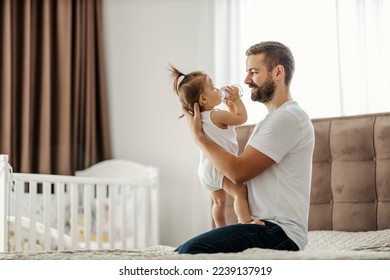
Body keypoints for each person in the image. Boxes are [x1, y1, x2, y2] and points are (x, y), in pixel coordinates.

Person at [175, 41, 315, 254]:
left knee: (191, 251)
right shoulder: (271, 121)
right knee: (182, 251)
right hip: (262, 226)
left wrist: (199, 138)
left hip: (279, 232)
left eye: (253, 72)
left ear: (278, 72)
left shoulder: (288, 118)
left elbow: (237, 173)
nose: (246, 80)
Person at [169, 64, 263, 227]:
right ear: (204, 99)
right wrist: (236, 99)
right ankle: (247, 222)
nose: (217, 89)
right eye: (212, 87)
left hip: (206, 170)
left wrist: (229, 105)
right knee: (240, 192)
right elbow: (241, 118)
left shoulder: (202, 119)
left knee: (219, 202)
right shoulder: (216, 115)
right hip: (220, 168)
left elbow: (230, 119)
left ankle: (219, 228)